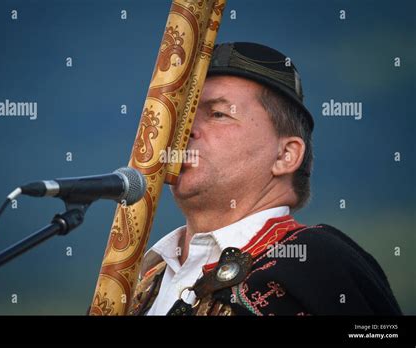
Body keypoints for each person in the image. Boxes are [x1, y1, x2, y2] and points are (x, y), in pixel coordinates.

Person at [128, 42, 402, 316]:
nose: (185, 131)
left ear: (285, 155)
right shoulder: (144, 282)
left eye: (218, 114)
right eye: (185, 116)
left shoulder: (319, 260)